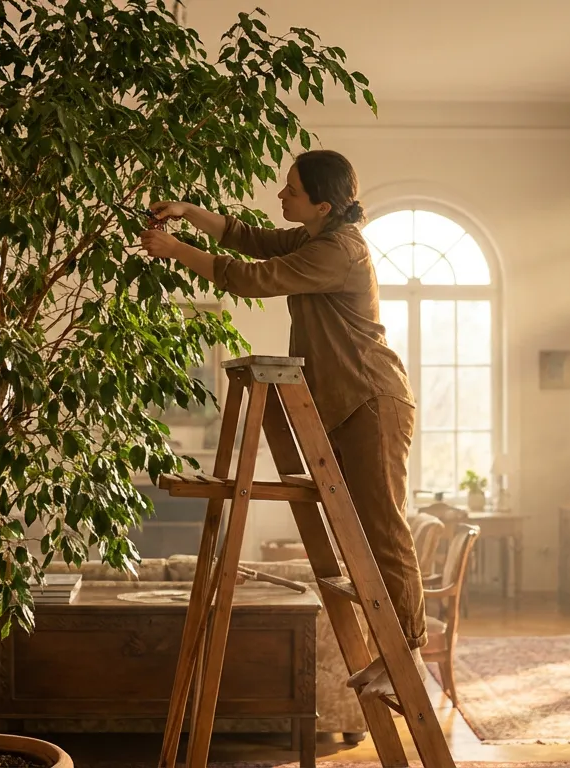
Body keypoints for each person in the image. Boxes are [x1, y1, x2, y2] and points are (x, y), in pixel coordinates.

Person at [139, 149, 428, 701]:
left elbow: (254, 278)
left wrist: (176, 250)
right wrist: (188, 212)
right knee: (362, 532)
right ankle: (393, 652)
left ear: (323, 205)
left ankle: (408, 650)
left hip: (371, 399)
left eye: (291, 190)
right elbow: (251, 240)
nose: (280, 195)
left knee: (383, 527)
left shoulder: (339, 250)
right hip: (347, 404)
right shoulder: (316, 239)